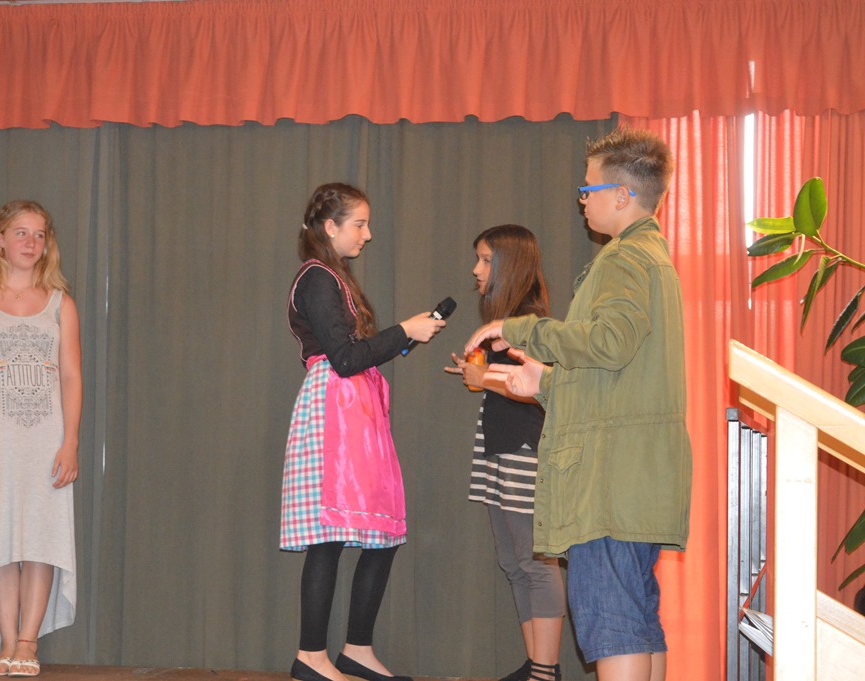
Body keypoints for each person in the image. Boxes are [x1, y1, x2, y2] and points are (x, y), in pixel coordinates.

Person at [464, 128, 692, 681]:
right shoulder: (651, 256)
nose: (581, 199)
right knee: (637, 620)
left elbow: (609, 343)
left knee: (613, 623)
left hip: (610, 481)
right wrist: (544, 383)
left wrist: (521, 328)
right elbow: (618, 375)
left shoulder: (624, 259)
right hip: (634, 475)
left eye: (588, 189)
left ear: (622, 195)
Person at [281, 183, 446, 681]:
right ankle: (311, 657)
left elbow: (357, 354)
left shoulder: (333, 276)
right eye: (359, 224)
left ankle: (357, 648)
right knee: (329, 536)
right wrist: (404, 332)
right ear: (330, 227)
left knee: (383, 529)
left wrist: (404, 338)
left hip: (357, 407)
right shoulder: (316, 277)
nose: (367, 234)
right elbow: (345, 358)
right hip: (334, 407)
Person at [0, 200, 81, 678]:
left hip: (47, 443)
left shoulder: (60, 304)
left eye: (40, 234)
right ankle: (7, 642)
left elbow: (72, 376)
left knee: (42, 541)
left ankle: (29, 642)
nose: (32, 242)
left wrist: (70, 443)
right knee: (0, 542)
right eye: (22, 233)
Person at [445, 225, 565, 681]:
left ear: (509, 266)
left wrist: (485, 379)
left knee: (536, 563)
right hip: (500, 447)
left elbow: (542, 391)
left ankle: (545, 670)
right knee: (514, 564)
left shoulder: (529, 323)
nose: (476, 270)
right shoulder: (506, 321)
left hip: (524, 450)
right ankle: (537, 665)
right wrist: (481, 374)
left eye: (485, 260)